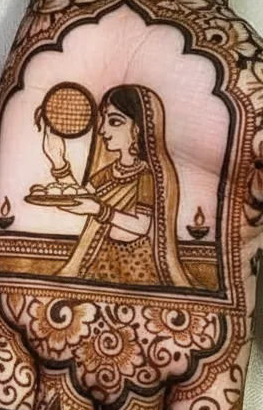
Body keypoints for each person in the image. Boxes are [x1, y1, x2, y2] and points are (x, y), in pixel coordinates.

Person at [41, 84, 192, 287]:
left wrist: (99, 210)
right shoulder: (110, 172)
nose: (103, 130)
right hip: (102, 254)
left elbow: (141, 225)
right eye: (104, 121)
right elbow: (80, 198)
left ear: (138, 128)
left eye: (114, 122)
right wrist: (58, 160)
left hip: (135, 260)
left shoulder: (146, 176)